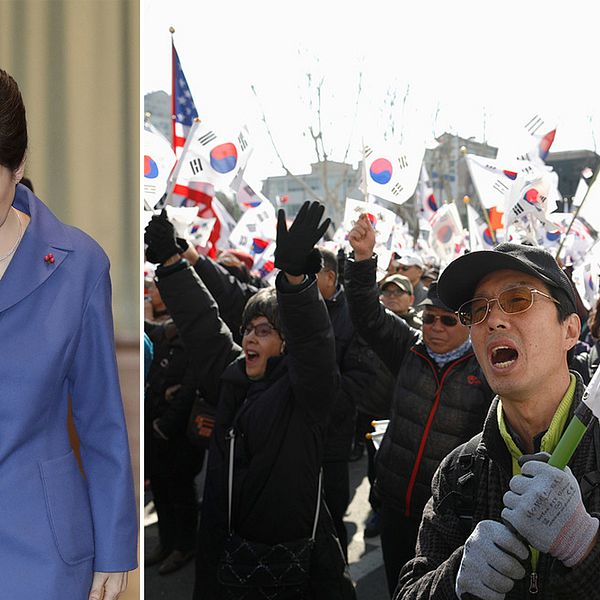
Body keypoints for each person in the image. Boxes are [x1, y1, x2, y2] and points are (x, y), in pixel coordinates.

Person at [144, 201, 355, 600]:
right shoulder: (235, 375)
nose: (249, 339)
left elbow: (313, 341)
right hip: (226, 563)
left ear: (285, 342)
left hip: (287, 573)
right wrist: (172, 263)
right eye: (247, 330)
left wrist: (295, 280)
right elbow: (204, 326)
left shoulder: (306, 391)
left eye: (263, 330)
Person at [396, 242, 600, 600]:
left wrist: (585, 548)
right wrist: (454, 579)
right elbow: (410, 590)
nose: (493, 320)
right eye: (477, 310)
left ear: (569, 331)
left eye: (518, 300)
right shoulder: (458, 471)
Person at [0, 69, 137, 598]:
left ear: (18, 168)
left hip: (44, 548)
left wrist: (117, 545)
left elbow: (101, 419)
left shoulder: (79, 264)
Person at [345, 213, 493, 595]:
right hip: (394, 502)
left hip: (446, 516)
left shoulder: (488, 369)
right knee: (397, 583)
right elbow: (365, 312)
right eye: (429, 318)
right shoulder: (409, 348)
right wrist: (362, 260)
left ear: (469, 322)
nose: (436, 328)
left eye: (447, 320)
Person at [316, 246, 374, 559]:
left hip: (336, 427)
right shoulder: (289, 303)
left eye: (309, 275)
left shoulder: (352, 313)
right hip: (300, 426)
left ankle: (335, 564)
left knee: (333, 502)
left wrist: (329, 398)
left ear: (329, 276)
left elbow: (360, 377)